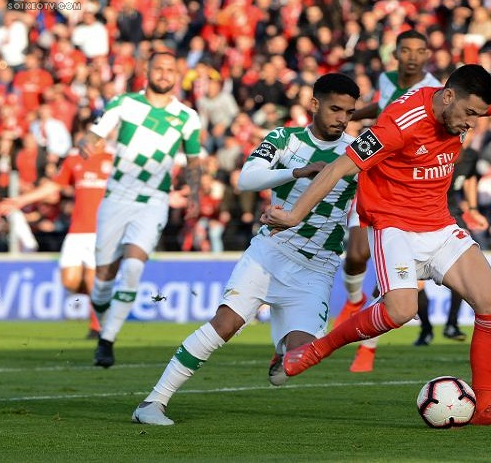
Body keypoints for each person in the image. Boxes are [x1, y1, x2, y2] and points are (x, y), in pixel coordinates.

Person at [263, 64, 491, 427]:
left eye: (478, 115)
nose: (472, 123)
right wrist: (294, 216)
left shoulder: (461, 102)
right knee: (401, 310)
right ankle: (315, 350)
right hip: (393, 225)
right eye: (469, 114)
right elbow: (339, 168)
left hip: (438, 224)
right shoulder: (399, 123)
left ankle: (484, 409)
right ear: (448, 97)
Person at [132, 73, 361, 425]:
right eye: (335, 109)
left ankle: (282, 349)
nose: (342, 119)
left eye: (348, 112)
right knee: (225, 324)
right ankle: (153, 403)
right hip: (270, 252)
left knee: (300, 358)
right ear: (314, 104)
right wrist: (298, 171)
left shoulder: (356, 154)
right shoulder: (285, 139)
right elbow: (246, 178)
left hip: (317, 267)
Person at [338, 29, 480, 374]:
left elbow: (453, 131)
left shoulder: (433, 89)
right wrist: (354, 115)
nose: (413, 57)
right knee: (356, 253)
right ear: (396, 54)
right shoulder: (387, 80)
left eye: (420, 50)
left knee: (393, 281)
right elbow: (385, 107)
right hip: (375, 173)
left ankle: (367, 349)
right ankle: (354, 301)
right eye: (406, 50)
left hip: (405, 189)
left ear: (427, 55)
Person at [79, 50, 203, 368]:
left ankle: (106, 342)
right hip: (116, 197)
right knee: (104, 277)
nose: (164, 74)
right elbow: (96, 131)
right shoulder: (124, 103)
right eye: (158, 68)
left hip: (153, 201)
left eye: (170, 69)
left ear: (178, 75)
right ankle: (103, 314)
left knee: (133, 268)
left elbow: (192, 161)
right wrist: (87, 142)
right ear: (146, 71)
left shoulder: (187, 116)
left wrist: (195, 194)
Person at [0, 140, 113, 338]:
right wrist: (22, 200)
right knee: (69, 281)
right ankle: (104, 299)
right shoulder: (74, 160)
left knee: (92, 280)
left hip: (101, 231)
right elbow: (54, 187)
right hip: (76, 231)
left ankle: (97, 328)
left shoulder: (114, 160)